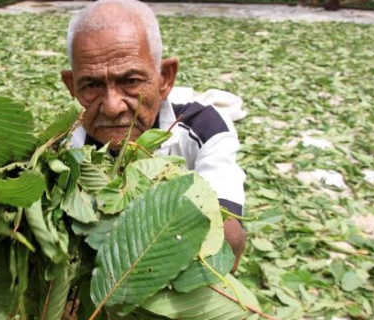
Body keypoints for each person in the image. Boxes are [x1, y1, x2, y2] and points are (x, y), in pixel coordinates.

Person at [61, 0, 246, 271]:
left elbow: (228, 241)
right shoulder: (66, 148)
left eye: (131, 81)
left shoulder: (205, 128)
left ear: (165, 78)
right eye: (91, 85)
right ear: (72, 86)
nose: (112, 107)